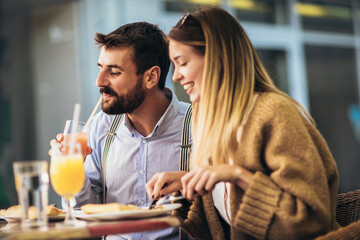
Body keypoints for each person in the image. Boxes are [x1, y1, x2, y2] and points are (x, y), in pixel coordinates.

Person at [145, 7, 340, 240]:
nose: (175, 76)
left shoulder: (274, 113)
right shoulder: (210, 120)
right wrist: (188, 184)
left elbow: (310, 222)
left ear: (218, 58)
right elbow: (223, 222)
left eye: (183, 63)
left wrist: (238, 175)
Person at [49, 22, 190, 240]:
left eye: (113, 72)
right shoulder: (99, 127)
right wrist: (72, 170)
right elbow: (88, 211)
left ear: (151, 77)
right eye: (100, 68)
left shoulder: (196, 125)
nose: (99, 81)